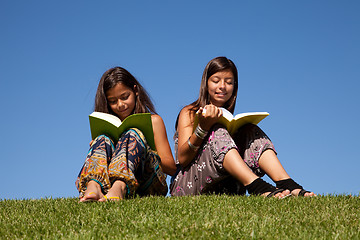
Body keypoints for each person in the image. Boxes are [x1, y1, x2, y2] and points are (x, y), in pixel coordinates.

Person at [170, 57, 316, 198]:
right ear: (206, 84)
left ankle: (287, 183)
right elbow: (183, 159)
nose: (222, 86)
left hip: (227, 186)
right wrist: (202, 128)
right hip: (190, 184)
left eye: (229, 82)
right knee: (217, 130)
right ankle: (257, 187)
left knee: (250, 130)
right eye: (216, 81)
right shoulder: (189, 112)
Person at [76, 66, 176, 202]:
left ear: (135, 91)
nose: (120, 105)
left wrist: (144, 150)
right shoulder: (108, 123)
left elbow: (171, 167)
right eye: (113, 101)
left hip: (149, 183)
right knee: (102, 139)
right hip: (109, 182)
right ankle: (93, 186)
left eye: (124, 97)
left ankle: (120, 188)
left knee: (133, 133)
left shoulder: (154, 121)